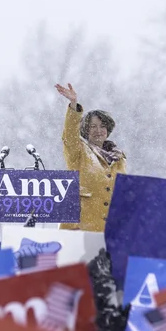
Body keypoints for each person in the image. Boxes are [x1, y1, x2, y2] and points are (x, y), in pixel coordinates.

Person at [55, 83, 127, 232]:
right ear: (86, 130)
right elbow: (69, 136)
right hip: (80, 232)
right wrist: (74, 104)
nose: (98, 131)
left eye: (102, 126)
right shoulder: (79, 152)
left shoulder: (119, 159)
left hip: (110, 233)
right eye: (93, 126)